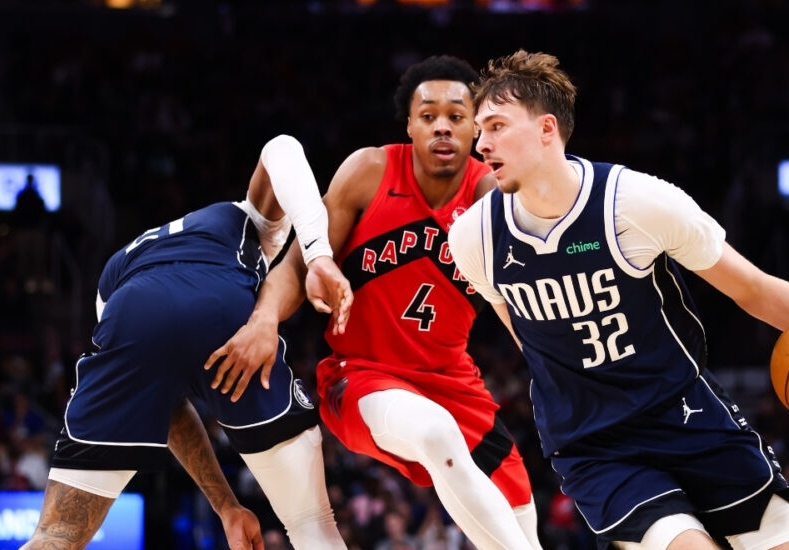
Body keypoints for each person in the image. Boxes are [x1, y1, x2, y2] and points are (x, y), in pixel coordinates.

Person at [448, 50, 789, 550]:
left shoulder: (636, 203)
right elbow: (526, 335)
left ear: (546, 128)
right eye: (479, 130)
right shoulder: (473, 238)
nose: (480, 143)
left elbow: (751, 287)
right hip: (595, 444)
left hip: (687, 412)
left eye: (496, 126)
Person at [208, 55, 543, 550]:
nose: (442, 127)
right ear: (409, 125)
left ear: (476, 127)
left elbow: (525, 300)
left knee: (524, 530)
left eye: (456, 115)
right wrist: (264, 320)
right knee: (435, 433)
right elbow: (300, 265)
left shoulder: (491, 195)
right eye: (428, 115)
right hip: (361, 375)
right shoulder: (370, 171)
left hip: (454, 382)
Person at [22, 135, 351, 550]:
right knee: (310, 521)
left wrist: (226, 507)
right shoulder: (243, 218)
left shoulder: (118, 271)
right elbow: (282, 146)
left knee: (57, 533)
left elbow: (168, 404)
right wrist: (318, 253)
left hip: (129, 313)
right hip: (224, 312)